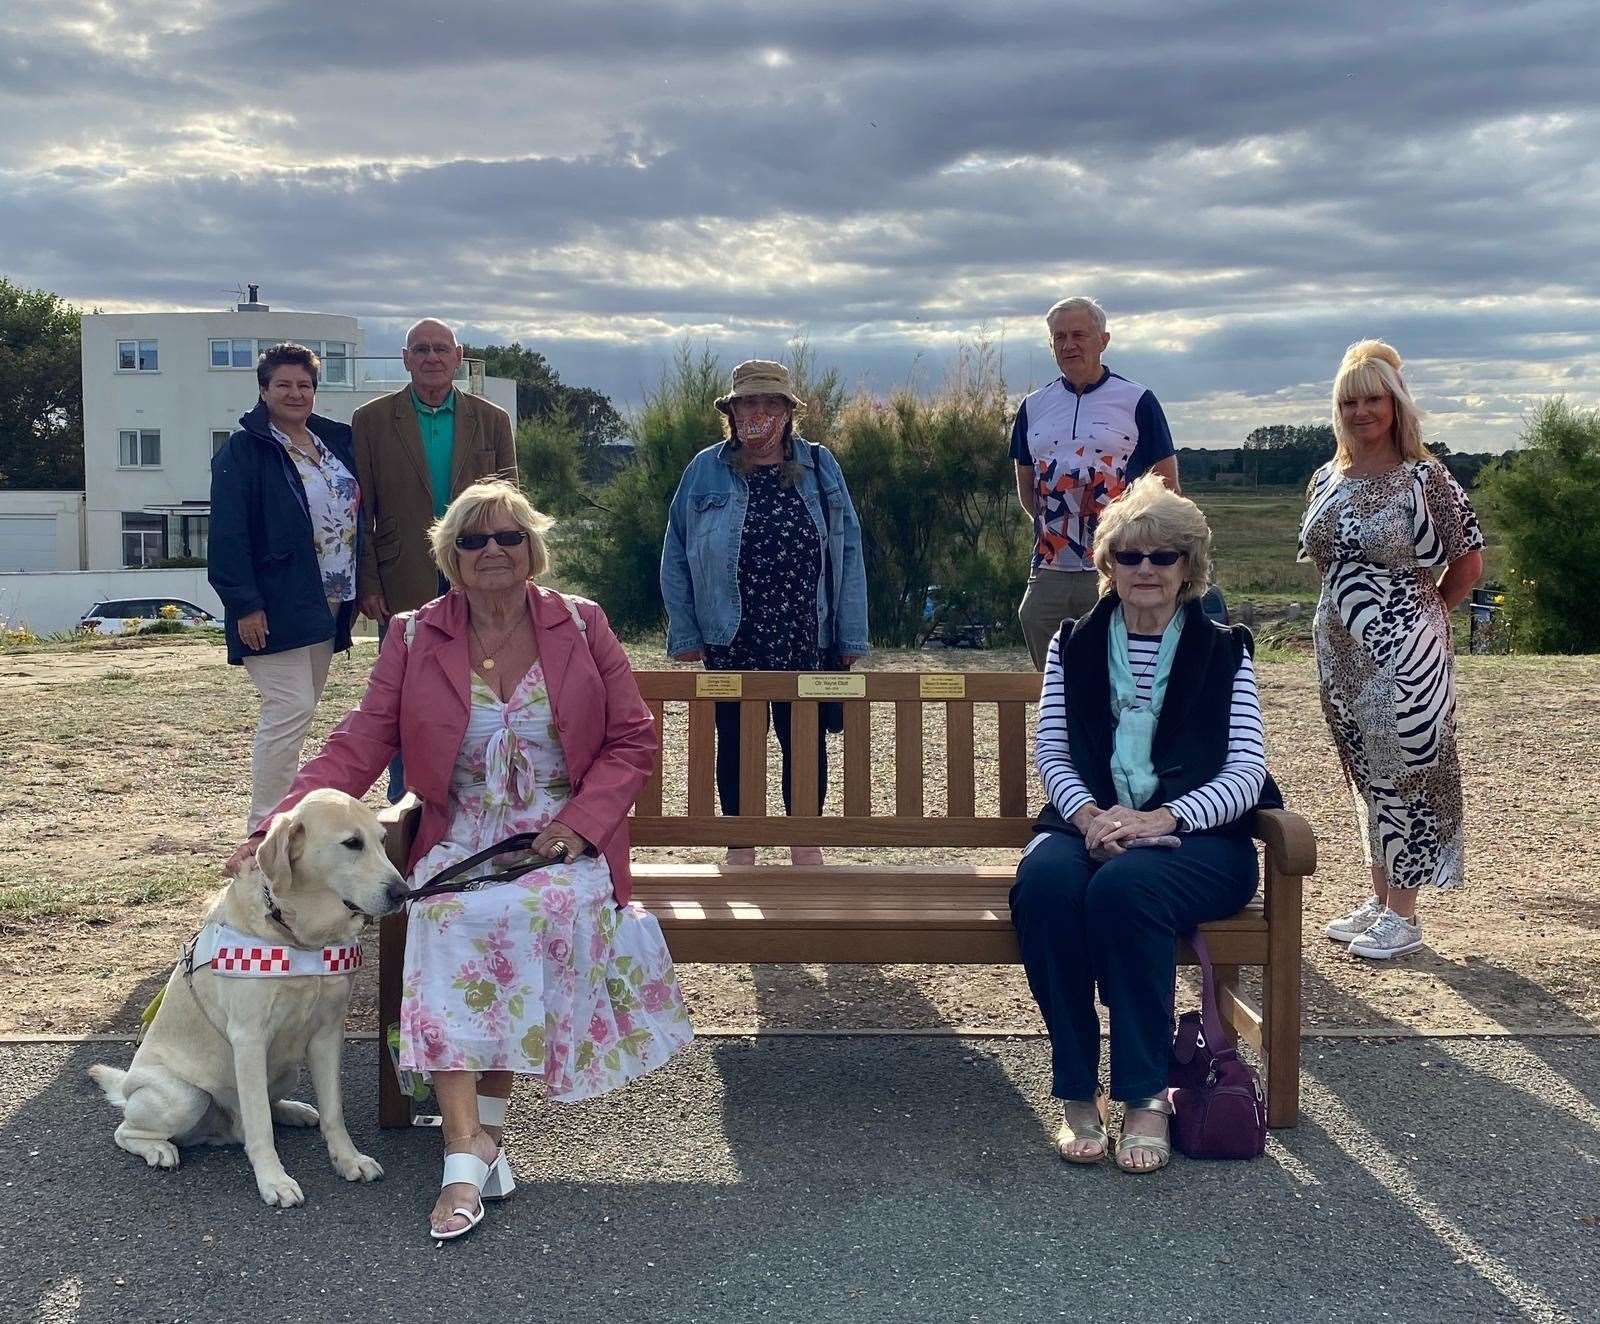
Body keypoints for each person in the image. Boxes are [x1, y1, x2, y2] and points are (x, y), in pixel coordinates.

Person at [226, 480, 692, 1241]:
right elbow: (361, 742)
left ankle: (467, 1157)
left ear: (532, 548)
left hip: (559, 840)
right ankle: (470, 1148)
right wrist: (281, 818)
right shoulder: (414, 636)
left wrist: (578, 825)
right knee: (444, 915)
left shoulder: (581, 624)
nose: (493, 553)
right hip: (466, 834)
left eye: (509, 537)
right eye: (473, 542)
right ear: (450, 557)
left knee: (519, 913)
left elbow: (632, 739)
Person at [1010, 474, 1279, 1173]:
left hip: (1200, 841)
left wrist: (1166, 816)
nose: (1146, 570)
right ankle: (1076, 1089)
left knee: (1125, 891)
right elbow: (1054, 752)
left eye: (1164, 557)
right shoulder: (1071, 645)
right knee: (1043, 885)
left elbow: (1246, 772)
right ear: (1109, 566)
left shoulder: (1226, 650)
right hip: (1089, 823)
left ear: (1189, 567)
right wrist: (1092, 814)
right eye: (1130, 557)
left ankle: (1145, 1095)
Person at [1299, 340, 1484, 959]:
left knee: (1410, 771)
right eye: (1349, 401)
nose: (1361, 411)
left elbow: (1468, 566)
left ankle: (1404, 915)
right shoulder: (1326, 478)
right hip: (1339, 654)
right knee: (1365, 774)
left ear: (1396, 402)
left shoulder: (1426, 479)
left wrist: (1418, 623)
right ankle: (1380, 902)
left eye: (1373, 398)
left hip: (1406, 653)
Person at [660, 360, 869, 866]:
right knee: (734, 739)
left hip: (805, 631)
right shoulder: (704, 469)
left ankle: (804, 842)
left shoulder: (820, 466)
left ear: (788, 411)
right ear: (730, 412)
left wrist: (849, 637)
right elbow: (676, 551)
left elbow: (847, 551)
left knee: (805, 738)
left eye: (770, 402)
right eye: (748, 402)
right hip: (730, 632)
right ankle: (741, 843)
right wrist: (686, 631)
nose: (758, 412)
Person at [352, 317, 518, 800]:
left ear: (458, 356)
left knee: (486, 685)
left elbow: (510, 509)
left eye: (441, 349)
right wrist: (368, 582)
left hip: (479, 573)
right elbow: (361, 512)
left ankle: (483, 795)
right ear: (406, 358)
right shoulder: (372, 420)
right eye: (420, 349)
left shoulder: (491, 420)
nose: (431, 357)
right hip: (402, 576)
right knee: (408, 695)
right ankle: (408, 801)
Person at [209, 343, 362, 833]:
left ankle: (285, 817)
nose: (295, 393)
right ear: (263, 389)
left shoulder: (333, 442)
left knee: (302, 707)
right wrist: (245, 604)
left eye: (305, 384)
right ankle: (265, 828)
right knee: (289, 706)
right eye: (284, 384)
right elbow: (228, 535)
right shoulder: (245, 451)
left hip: (329, 599)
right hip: (273, 602)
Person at [1011, 297, 1181, 668]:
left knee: (1117, 659)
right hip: (1051, 562)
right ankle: (1062, 718)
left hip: (1118, 561)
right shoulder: (1032, 406)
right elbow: (1026, 486)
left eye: (1079, 335)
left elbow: (1167, 485)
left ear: (1102, 341)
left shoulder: (1137, 400)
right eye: (1059, 337)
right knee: (1035, 621)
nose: (1069, 345)